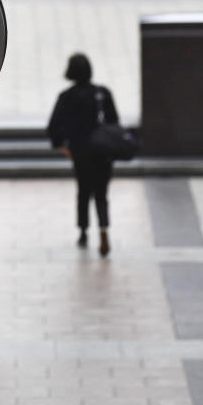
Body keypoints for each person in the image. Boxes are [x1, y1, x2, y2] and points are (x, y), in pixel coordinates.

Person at [47, 53, 119, 257]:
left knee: (83, 192)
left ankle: (83, 231)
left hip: (81, 153)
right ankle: (104, 229)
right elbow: (114, 122)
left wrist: (63, 147)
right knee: (102, 194)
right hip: (103, 153)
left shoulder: (66, 97)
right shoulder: (103, 93)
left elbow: (53, 127)